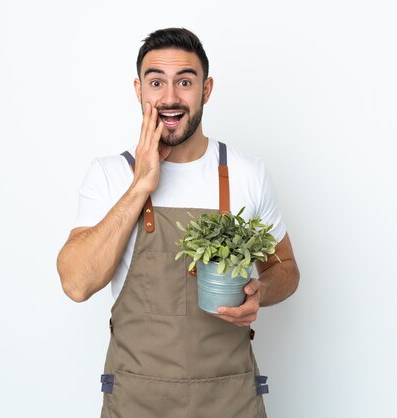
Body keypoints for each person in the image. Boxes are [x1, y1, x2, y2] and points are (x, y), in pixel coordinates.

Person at [57, 27, 300, 418]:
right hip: (136, 401)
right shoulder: (108, 175)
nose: (170, 98)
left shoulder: (246, 173)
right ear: (139, 89)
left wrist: (259, 290)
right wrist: (140, 187)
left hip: (230, 399)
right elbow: (76, 283)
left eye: (184, 81)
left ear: (206, 90)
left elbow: (285, 270)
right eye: (157, 82)